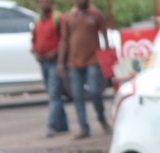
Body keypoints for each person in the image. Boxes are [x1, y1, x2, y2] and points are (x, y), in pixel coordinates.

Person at [57, 0, 110, 139]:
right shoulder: (68, 17)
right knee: (77, 96)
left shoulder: (96, 14)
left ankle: (101, 117)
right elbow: (64, 39)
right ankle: (84, 128)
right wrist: (60, 63)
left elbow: (104, 34)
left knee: (95, 91)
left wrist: (107, 56)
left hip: (93, 60)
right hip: (74, 62)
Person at [31, 0, 68, 137]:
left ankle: (52, 126)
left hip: (55, 62)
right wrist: (35, 53)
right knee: (53, 93)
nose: (44, 4)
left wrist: (59, 57)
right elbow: (33, 41)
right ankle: (63, 125)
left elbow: (64, 39)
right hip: (43, 62)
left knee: (54, 95)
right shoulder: (37, 20)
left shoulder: (58, 18)